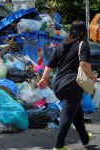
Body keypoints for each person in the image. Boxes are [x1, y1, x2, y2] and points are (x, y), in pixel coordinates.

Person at [37, 20, 97, 150]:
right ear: (83, 32)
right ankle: (59, 146)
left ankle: (85, 138)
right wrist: (92, 76)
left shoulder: (61, 46)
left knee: (76, 112)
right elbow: (84, 64)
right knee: (67, 115)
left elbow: (49, 66)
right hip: (72, 84)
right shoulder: (83, 45)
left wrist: (44, 79)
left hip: (58, 85)